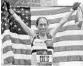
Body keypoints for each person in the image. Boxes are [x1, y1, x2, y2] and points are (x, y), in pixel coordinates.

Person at [4, 1, 80, 66]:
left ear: (47, 25)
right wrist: (11, 11)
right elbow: (20, 22)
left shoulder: (50, 35)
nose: (43, 27)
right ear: (37, 26)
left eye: (44, 24)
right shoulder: (33, 35)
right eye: (41, 25)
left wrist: (72, 10)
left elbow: (62, 21)